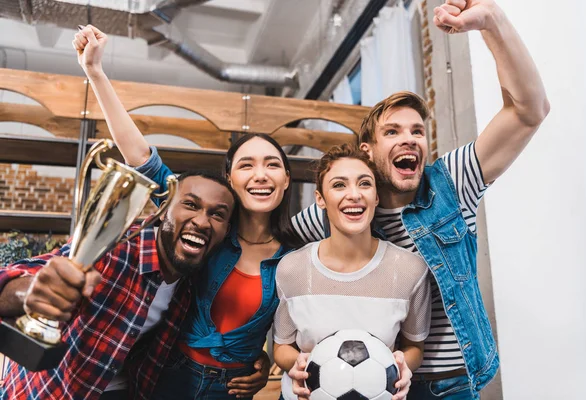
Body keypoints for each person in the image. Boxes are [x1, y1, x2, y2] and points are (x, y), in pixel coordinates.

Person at [290, 0, 550, 398]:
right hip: (373, 383)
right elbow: (270, 249)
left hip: (452, 384)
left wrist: (492, 22)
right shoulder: (342, 207)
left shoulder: (451, 181)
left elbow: (530, 110)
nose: (409, 138)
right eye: (392, 132)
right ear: (367, 151)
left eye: (416, 130)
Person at [73, 25, 304, 399]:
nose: (260, 175)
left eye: (272, 165)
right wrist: (96, 73)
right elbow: (140, 157)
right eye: (246, 165)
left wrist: (263, 365)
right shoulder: (206, 227)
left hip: (232, 389)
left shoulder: (295, 256)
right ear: (230, 178)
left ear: (286, 179)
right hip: (167, 375)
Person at [0, 170, 236, 400]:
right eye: (191, 205)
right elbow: (16, 277)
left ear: (226, 231)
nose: (202, 222)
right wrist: (30, 291)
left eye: (217, 215)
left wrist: (253, 361)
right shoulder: (114, 248)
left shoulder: (194, 283)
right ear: (163, 211)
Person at [273, 144, 431, 400]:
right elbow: (282, 347)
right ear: (320, 199)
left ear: (376, 197)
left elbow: (414, 347)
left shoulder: (409, 270)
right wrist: (298, 364)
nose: (354, 194)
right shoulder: (292, 269)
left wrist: (403, 363)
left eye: (365, 184)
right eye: (339, 185)